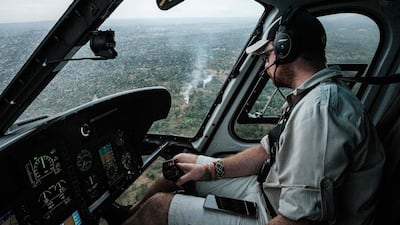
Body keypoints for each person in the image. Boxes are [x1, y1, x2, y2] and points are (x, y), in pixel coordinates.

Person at [122, 8, 385, 225]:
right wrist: (207, 170)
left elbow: (300, 220)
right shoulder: (307, 97)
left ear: (286, 49)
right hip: (266, 192)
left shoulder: (321, 111)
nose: (265, 63)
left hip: (276, 215)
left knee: (157, 209)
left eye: (266, 54)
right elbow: (264, 152)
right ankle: (128, 216)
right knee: (179, 165)